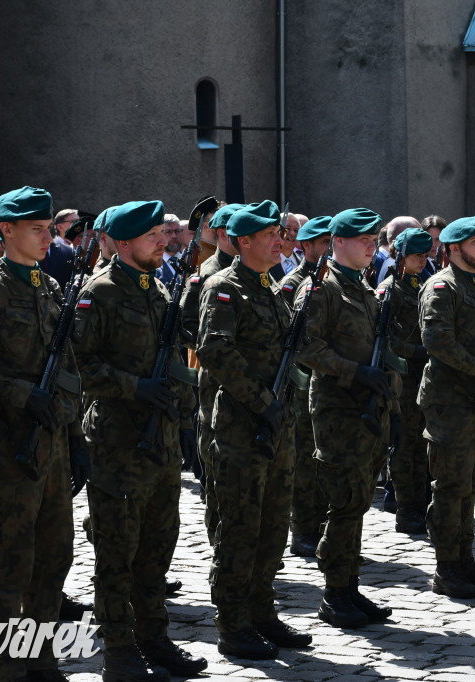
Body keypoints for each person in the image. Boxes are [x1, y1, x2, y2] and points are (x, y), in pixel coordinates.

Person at [0, 186, 85, 681]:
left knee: (55, 556)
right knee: (12, 561)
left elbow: (67, 368)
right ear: (6, 230)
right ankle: (9, 666)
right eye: (38, 229)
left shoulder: (49, 289)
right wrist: (13, 391)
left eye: (50, 227)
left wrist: (76, 440)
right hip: (12, 444)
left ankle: (41, 655)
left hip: (52, 444)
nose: (49, 236)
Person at [73, 200, 206, 681]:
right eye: (153, 235)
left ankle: (154, 636)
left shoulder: (157, 291)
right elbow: (79, 367)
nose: (164, 241)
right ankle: (119, 648)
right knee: (118, 552)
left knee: (157, 548)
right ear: (124, 242)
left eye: (162, 234)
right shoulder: (101, 293)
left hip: (163, 442)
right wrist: (135, 386)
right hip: (119, 443)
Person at [197, 200, 312, 658]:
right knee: (240, 528)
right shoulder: (225, 288)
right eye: (270, 235)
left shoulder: (267, 288)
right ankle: (233, 623)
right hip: (242, 427)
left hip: (276, 426)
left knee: (272, 525)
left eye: (280, 234)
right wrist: (263, 402)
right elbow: (216, 352)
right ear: (244, 241)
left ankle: (262, 610)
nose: (279, 241)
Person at [295, 208, 397, 628]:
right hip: (339, 410)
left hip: (368, 410)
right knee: (342, 503)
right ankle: (335, 593)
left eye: (375, 239)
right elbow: (307, 349)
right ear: (338, 242)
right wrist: (357, 372)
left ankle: (349, 586)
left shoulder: (363, 286)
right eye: (363, 240)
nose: (372, 246)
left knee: (357, 501)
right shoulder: (322, 289)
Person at [418, 214, 475, 599]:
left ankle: (465, 561)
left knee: (471, 484)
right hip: (451, 402)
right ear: (453, 250)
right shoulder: (442, 287)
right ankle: (446, 567)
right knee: (450, 487)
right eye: (474, 242)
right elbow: (438, 341)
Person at [179, 202, 238, 543]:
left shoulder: (256, 272)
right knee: (217, 465)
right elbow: (185, 328)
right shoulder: (204, 275)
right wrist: (214, 341)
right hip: (215, 380)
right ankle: (222, 542)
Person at [280, 216, 333, 557]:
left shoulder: (331, 280)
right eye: (324, 242)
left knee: (325, 461)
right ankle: (302, 530)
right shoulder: (292, 284)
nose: (329, 248)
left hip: (328, 385)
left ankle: (322, 526)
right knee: (303, 461)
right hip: (301, 387)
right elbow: (289, 341)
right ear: (307, 246)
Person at [377, 227, 432, 535]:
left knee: (422, 443)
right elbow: (387, 341)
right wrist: (419, 351)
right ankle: (406, 507)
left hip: (422, 378)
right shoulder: (390, 290)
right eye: (416, 256)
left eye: (425, 255)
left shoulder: (422, 285)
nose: (422, 261)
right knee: (405, 446)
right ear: (401, 256)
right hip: (402, 379)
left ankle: (420, 503)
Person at [154, 213, 184, 285]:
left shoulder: (189, 261)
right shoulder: (152, 265)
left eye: (177, 231)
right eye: (168, 232)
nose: (174, 236)